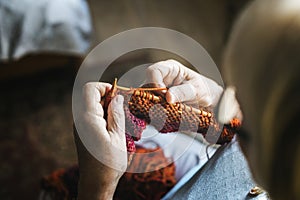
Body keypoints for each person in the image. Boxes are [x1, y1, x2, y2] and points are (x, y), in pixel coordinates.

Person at [74, 0, 300, 199]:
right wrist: (216, 98)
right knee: (149, 147)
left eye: (245, 118)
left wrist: (97, 188)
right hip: (200, 172)